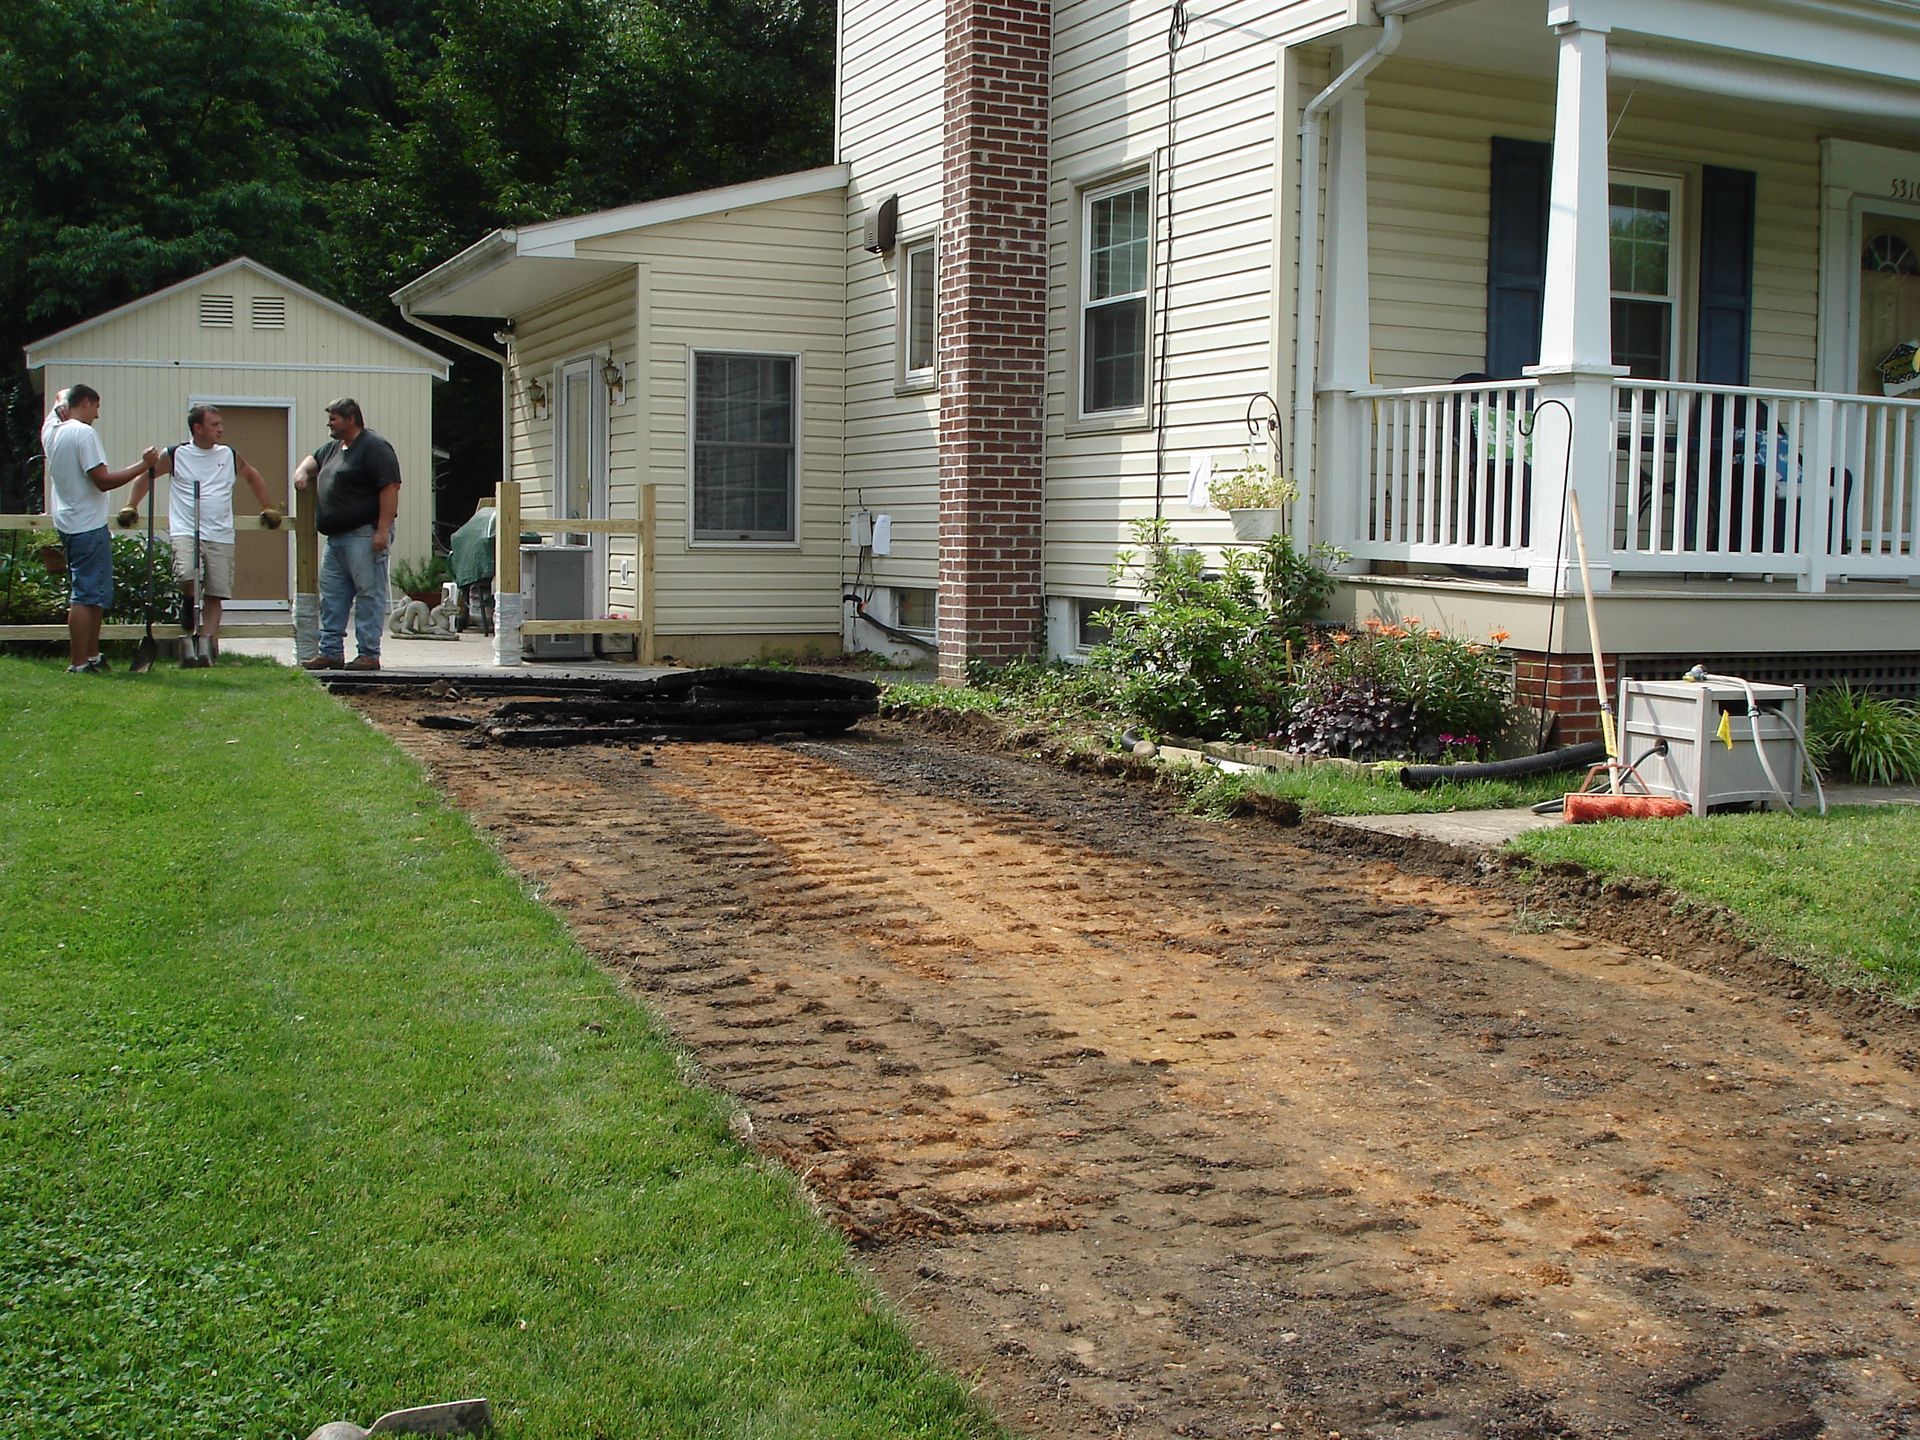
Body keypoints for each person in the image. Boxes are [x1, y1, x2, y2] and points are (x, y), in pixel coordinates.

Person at [120, 405, 282, 667]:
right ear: (198, 428)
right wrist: (131, 506)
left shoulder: (228, 455)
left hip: (219, 532)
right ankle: (188, 600)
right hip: (186, 529)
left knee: (216, 591)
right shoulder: (176, 454)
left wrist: (267, 507)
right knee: (187, 574)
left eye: (220, 424)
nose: (220, 429)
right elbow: (145, 478)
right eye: (214, 424)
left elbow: (252, 476)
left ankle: (206, 645)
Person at [42, 384, 151, 673]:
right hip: (86, 523)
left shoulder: (52, 428)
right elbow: (102, 480)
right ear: (86, 403)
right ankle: (78, 662)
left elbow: (61, 393)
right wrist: (144, 465)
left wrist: (60, 404)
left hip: (68, 520)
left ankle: (92, 655)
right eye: (97, 407)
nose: (98, 415)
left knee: (95, 593)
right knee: (85, 594)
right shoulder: (82, 433)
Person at [291, 397, 401, 671]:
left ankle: (368, 654)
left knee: (368, 594)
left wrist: (382, 530)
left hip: (364, 534)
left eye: (334, 418)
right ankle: (330, 652)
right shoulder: (333, 449)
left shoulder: (374, 447)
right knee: (332, 596)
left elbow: (390, 488)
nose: (328, 423)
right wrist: (302, 473)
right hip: (336, 539)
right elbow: (312, 459)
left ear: (351, 419)